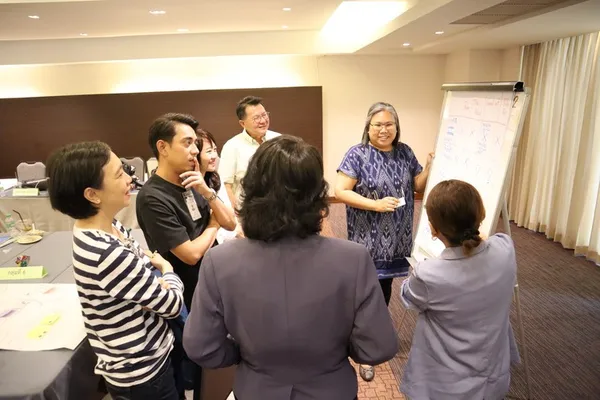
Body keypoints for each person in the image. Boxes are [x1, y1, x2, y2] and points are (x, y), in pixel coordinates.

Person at [182, 135, 399, 400]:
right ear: (317, 194)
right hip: (331, 390)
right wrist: (339, 350)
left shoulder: (219, 260)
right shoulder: (353, 258)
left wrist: (243, 354)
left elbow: (201, 346)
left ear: (251, 191)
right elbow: (379, 347)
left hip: (256, 390)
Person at [46, 141, 184, 400]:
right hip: (143, 373)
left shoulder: (107, 227)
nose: (129, 179)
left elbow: (141, 261)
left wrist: (151, 277)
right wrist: (167, 270)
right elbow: (172, 304)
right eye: (119, 174)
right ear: (92, 195)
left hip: (148, 354)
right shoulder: (106, 253)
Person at [136, 113, 236, 398]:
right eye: (187, 143)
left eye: (195, 144)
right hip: (184, 295)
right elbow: (190, 254)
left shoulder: (192, 182)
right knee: (189, 364)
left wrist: (206, 191)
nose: (195, 150)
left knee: (210, 363)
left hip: (209, 285)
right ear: (163, 147)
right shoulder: (153, 197)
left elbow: (230, 223)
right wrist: (213, 225)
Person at [334, 101, 432, 381]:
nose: (384, 130)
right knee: (365, 295)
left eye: (389, 124)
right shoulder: (357, 154)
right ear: (368, 127)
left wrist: (430, 165)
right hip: (368, 239)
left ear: (396, 127)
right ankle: (362, 349)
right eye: (377, 124)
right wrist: (374, 205)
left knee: (383, 292)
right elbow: (340, 191)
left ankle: (371, 343)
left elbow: (418, 185)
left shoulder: (405, 152)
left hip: (397, 239)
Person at [400, 179, 520, 400]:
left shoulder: (428, 274)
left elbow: (408, 296)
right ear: (481, 215)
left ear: (433, 229)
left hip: (447, 387)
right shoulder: (505, 248)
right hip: (494, 377)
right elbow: (487, 242)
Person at [219, 95, 281, 213]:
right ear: (242, 123)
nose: (263, 121)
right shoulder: (232, 146)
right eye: (256, 118)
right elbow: (226, 185)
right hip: (247, 213)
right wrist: (236, 214)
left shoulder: (279, 139)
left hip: (278, 210)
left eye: (264, 115)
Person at [194, 129, 236, 244]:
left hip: (224, 240)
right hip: (202, 243)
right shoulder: (188, 184)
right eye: (209, 151)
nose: (215, 156)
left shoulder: (215, 179)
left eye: (215, 150)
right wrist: (215, 223)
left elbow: (230, 222)